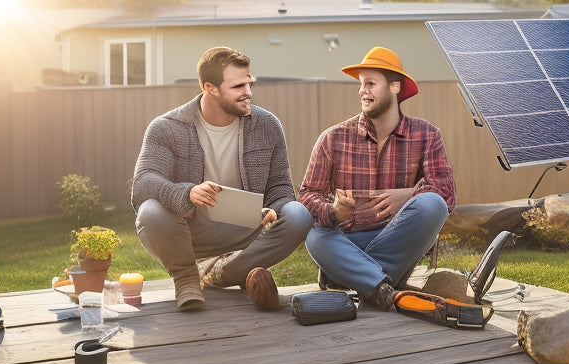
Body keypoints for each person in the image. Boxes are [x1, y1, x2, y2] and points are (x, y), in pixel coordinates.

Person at [132, 46, 313, 311]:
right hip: (189, 228)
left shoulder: (267, 125)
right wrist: (188, 193)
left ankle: (222, 273)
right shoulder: (166, 127)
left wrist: (273, 210)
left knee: (299, 215)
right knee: (150, 211)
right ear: (210, 88)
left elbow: (280, 187)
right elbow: (143, 183)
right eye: (238, 86)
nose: (248, 92)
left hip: (247, 224)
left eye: (249, 83)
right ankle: (187, 278)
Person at [299, 46, 456, 310]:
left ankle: (349, 274)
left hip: (398, 238)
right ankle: (383, 285)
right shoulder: (333, 138)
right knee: (315, 235)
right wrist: (335, 212)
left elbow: (446, 192)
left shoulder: (427, 135)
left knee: (433, 205)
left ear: (395, 87)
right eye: (361, 85)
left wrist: (408, 196)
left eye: (370, 84)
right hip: (348, 239)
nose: (362, 91)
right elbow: (307, 195)